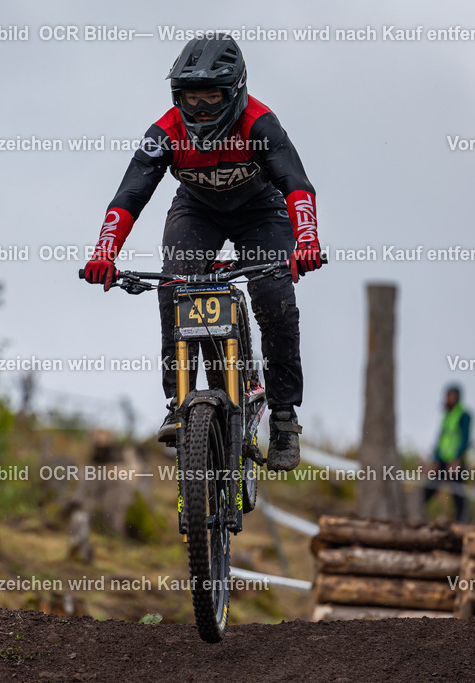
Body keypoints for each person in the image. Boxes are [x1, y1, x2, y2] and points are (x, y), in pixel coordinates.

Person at [82, 35, 323, 471]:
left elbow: (296, 185)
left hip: (261, 213)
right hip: (197, 211)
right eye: (192, 99)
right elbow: (128, 196)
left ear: (235, 92)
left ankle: (285, 418)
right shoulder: (165, 133)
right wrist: (104, 252)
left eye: (212, 97)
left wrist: (306, 240)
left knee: (274, 298)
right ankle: (178, 401)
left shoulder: (259, 123)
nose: (202, 109)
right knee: (173, 287)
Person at [424, 383, 473, 521]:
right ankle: (417, 514)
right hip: (442, 460)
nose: (447, 399)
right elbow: (441, 438)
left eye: (450, 396)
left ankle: (461, 522)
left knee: (458, 494)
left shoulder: (464, 415)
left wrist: (457, 459)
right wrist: (436, 458)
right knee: (429, 489)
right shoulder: (446, 415)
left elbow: (465, 439)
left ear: (457, 397)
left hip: (455, 462)